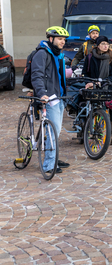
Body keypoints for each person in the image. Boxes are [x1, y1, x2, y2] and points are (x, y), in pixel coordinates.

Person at [31, 26, 70, 174]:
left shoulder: (58, 54)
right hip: (49, 98)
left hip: (58, 97)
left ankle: (53, 157)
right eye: (60, 39)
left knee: (56, 130)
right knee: (53, 131)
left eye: (64, 39)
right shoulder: (42, 54)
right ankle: (48, 164)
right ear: (51, 39)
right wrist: (41, 93)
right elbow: (37, 75)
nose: (63, 42)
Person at [82, 35, 112, 146]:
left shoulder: (111, 58)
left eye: (107, 44)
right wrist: (89, 82)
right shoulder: (90, 57)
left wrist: (104, 81)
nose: (105, 46)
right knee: (99, 111)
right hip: (95, 89)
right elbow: (85, 73)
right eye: (103, 44)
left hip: (110, 88)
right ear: (98, 45)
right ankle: (99, 136)